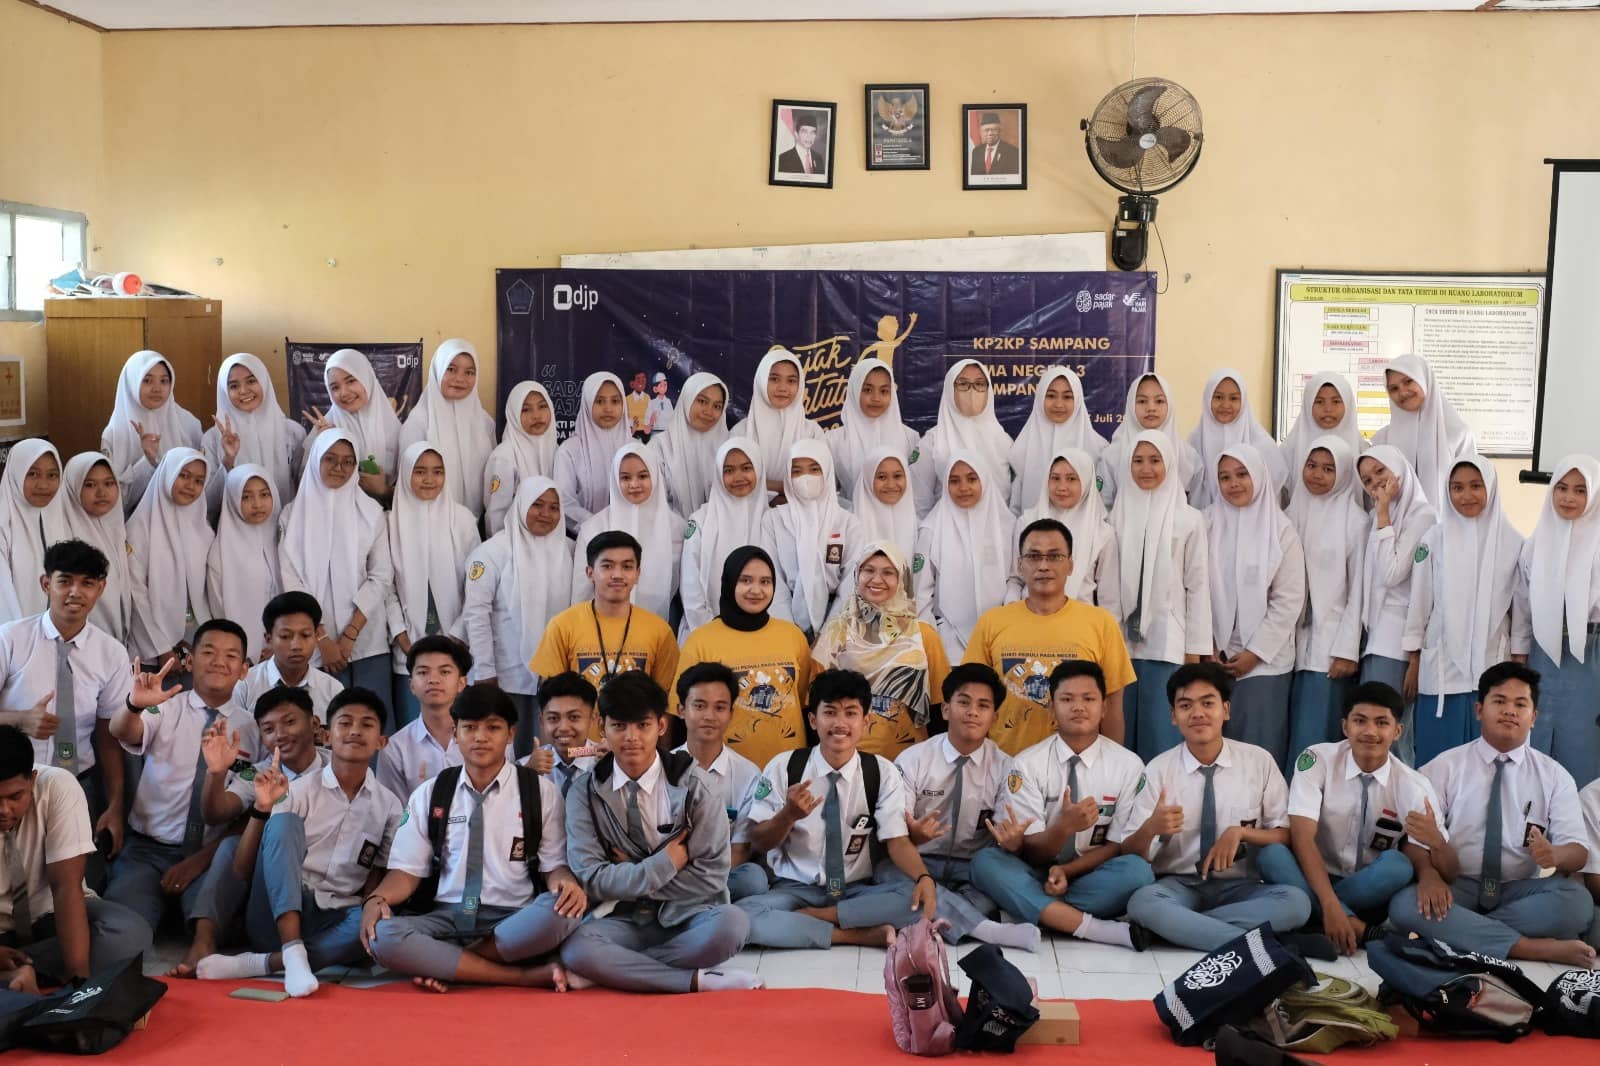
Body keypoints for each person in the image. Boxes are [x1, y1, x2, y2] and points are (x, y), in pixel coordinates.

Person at [364, 684, 585, 992]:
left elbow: (553, 867)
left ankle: (451, 964)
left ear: (510, 734)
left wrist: (565, 884)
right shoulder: (431, 793)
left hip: (513, 918)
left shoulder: (539, 792)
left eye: (492, 728)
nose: (480, 737)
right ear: (455, 733)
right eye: (469, 728)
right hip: (446, 917)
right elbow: (406, 872)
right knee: (384, 936)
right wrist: (377, 899)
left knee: (561, 911)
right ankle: (519, 976)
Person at [560, 671, 759, 992]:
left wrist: (631, 873)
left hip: (689, 913)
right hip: (622, 916)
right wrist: (663, 864)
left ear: (661, 726)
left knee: (733, 924)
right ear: (601, 727)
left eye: (643, 725)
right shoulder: (583, 791)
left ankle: (616, 969)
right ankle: (695, 980)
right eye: (619, 726)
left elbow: (711, 877)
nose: (631, 737)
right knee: (577, 947)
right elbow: (590, 877)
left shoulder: (697, 786)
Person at [193, 688, 400, 996]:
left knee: (383, 925)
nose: (355, 731)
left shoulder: (390, 805)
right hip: (277, 911)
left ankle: (267, 963)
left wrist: (372, 906)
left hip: (334, 915)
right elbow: (235, 856)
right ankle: (290, 947)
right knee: (284, 822)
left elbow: (378, 871)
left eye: (367, 725)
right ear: (327, 735)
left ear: (382, 741)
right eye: (345, 723)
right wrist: (256, 803)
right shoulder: (294, 789)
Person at [1387, 662, 1595, 967]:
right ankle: (1529, 947)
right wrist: (1429, 876)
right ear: (1479, 710)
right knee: (1404, 905)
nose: (1510, 711)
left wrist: (1556, 854)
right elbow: (1415, 839)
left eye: (1520, 704)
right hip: (1456, 885)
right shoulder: (1444, 767)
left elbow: (1578, 851)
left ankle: (1458, 933)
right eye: (1500, 701)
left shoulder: (1555, 776)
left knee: (1577, 903)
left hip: (1518, 891)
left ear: (1533, 717)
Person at [1118, 664, 1312, 951]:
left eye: (1208, 703)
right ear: (1173, 716)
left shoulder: (1258, 761)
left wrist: (1240, 833)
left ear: (1226, 710)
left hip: (1241, 888)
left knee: (1296, 903)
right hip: (1179, 885)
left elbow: (1285, 834)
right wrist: (1150, 829)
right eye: (1186, 705)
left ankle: (1181, 928)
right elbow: (1128, 850)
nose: (1198, 713)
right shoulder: (1158, 770)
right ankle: (1260, 947)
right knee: (1143, 902)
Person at [738, 669, 937, 948]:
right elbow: (758, 842)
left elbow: (897, 841)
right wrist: (788, 816)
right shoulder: (784, 766)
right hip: (794, 890)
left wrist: (924, 877)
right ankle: (855, 934)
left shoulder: (881, 772)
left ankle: (815, 919)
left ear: (866, 721)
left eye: (850, 713)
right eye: (830, 712)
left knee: (916, 897)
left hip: (856, 890)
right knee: (742, 916)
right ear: (813, 720)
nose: (840, 723)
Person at [970, 661, 1155, 950]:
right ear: (1052, 708)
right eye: (1067, 699)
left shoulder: (1128, 765)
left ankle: (1031, 911)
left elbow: (1117, 845)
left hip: (1091, 873)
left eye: (1088, 699)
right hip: (1034, 871)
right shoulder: (1027, 764)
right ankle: (1093, 927)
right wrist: (1064, 828)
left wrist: (1068, 872)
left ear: (1104, 707)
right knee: (985, 863)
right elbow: (1031, 851)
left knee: (1137, 871)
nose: (1078, 707)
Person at [1258, 682, 1444, 955]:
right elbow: (1301, 836)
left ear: (1397, 731)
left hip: (1366, 890)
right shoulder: (1317, 759)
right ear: (1345, 727)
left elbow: (1419, 850)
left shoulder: (1413, 784)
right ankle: (1355, 927)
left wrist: (1429, 873)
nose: (1370, 731)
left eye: (1382, 723)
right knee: (1272, 854)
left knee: (1399, 866)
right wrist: (1330, 904)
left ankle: (1315, 921)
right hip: (1311, 876)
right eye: (1360, 721)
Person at [867, 663, 1042, 950]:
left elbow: (1006, 835)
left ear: (994, 717)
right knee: (887, 874)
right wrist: (915, 835)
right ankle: (987, 929)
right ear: (946, 709)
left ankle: (935, 916)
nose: (973, 712)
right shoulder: (912, 759)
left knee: (996, 881)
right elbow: (895, 833)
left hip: (973, 869)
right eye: (964, 702)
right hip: (919, 862)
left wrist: (1013, 844)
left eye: (983, 706)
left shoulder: (1006, 767)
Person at [104, 620, 258, 936]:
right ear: (191, 660)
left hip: (208, 853)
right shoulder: (166, 707)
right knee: (122, 932)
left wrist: (201, 860)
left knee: (216, 931)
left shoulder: (252, 731)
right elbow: (123, 731)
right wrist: (133, 706)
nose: (219, 661)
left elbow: (241, 808)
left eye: (231, 656)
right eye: (209, 652)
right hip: (147, 850)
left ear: (244, 670)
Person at [172, 684, 331, 977]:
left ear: (314, 724)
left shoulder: (336, 766)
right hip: (271, 895)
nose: (279, 734)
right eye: (268, 729)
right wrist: (216, 773)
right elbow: (216, 813)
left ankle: (274, 959)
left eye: (290, 722)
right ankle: (204, 941)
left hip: (326, 887)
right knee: (231, 845)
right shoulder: (258, 772)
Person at [0, 540, 133, 866]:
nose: (75, 592)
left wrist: (115, 805)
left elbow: (109, 737)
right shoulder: (10, 638)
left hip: (78, 783)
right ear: (46, 584)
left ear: (100, 589)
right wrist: (19, 720)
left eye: (87, 583)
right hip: (12, 786)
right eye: (65, 581)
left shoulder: (112, 653)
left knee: (78, 880)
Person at [0, 725, 151, 992]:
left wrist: (78, 987)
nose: (4, 810)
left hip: (51, 915)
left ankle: (18, 974)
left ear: (32, 780)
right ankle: (15, 976)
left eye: (15, 796)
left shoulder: (58, 786)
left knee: (129, 934)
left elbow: (66, 888)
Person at [964, 518, 1134, 756]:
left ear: (1071, 565)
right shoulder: (992, 622)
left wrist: (1111, 765)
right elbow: (974, 698)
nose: (1043, 565)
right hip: (1005, 761)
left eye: (1054, 556)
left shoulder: (1101, 623)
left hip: (1077, 762)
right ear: (1020, 565)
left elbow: (1113, 705)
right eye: (1034, 557)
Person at [1404, 457, 1529, 766]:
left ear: (1491, 488)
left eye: (1476, 486)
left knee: (1489, 763)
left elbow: (1520, 609)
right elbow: (1419, 603)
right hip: (1441, 672)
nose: (1466, 495)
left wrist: (1518, 661)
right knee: (1437, 764)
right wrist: (1414, 659)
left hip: (1492, 666)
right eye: (1457, 488)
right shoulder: (1434, 539)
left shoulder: (1514, 542)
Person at [1107, 431, 1209, 760]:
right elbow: (1107, 586)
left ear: (1170, 464)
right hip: (1122, 644)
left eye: (1155, 460)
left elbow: (1198, 586)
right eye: (1138, 461)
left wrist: (1194, 652)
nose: (1146, 468)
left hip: (1168, 643)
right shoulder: (1114, 517)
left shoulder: (1189, 519)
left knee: (1161, 736)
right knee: (1120, 737)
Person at [1205, 445, 1306, 770]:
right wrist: (1207, 646)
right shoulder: (1206, 523)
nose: (1233, 484)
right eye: (1224, 477)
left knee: (1258, 754)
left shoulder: (1281, 530)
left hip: (1264, 664)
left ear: (1259, 476)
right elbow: (1194, 588)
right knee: (1213, 751)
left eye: (1242, 474)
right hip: (1214, 658)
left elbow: (1288, 600)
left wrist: (1254, 653)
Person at [279, 431, 394, 702]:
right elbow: (291, 581)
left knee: (371, 717)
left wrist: (350, 635)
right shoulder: (292, 516)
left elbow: (381, 576)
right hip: (313, 644)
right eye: (330, 459)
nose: (339, 468)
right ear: (315, 460)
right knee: (324, 720)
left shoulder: (371, 513)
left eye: (348, 461)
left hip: (367, 640)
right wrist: (322, 638)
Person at [674, 547, 812, 768]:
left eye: (765, 582)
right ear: (730, 583)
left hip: (788, 769)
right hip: (725, 772)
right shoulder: (701, 641)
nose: (756, 590)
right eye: (745, 580)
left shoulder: (793, 636)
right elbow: (681, 716)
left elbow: (805, 705)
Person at [812, 542, 950, 760]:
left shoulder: (923, 635)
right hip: (847, 761)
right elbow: (815, 704)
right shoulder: (835, 633)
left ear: (902, 578)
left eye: (888, 572)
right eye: (869, 570)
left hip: (910, 761)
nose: (877, 579)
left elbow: (939, 708)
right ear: (856, 575)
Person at [462, 476, 572, 736]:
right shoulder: (491, 553)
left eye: (554, 507)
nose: (545, 514)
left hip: (555, 678)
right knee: (507, 746)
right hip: (504, 676)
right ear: (521, 505)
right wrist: (485, 671)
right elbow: (476, 615)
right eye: (537, 505)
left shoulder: (570, 551)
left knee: (549, 750)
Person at [386, 443, 481, 725]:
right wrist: (404, 639)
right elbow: (386, 587)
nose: (429, 479)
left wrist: (456, 637)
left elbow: (475, 584)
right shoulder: (390, 521)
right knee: (413, 730)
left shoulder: (463, 519)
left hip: (455, 645)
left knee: (456, 729)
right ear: (405, 474)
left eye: (437, 471)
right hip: (407, 648)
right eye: (420, 471)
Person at [1356, 445, 1438, 766]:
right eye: (1367, 480)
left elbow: (1391, 574)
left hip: (1398, 641)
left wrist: (1383, 514)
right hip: (1376, 638)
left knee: (1392, 735)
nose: (1375, 482)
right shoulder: (1375, 518)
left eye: (1381, 471)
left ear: (1399, 469)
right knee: (1375, 732)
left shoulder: (1423, 516)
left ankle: (1401, 794)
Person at [1285, 437, 1366, 758]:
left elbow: (1359, 592)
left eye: (1329, 469)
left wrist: (1347, 650)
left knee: (1319, 738)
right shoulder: (1289, 514)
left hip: (1330, 651)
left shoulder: (1355, 521)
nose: (1317, 475)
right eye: (1311, 466)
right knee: (1291, 735)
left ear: (1344, 473)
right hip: (1289, 650)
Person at [1522, 456, 1600, 785]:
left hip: (1591, 654)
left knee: (1583, 741)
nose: (1569, 497)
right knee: (1537, 735)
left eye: (1581, 490)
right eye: (1562, 488)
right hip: (1542, 652)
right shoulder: (1536, 543)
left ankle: (1582, 816)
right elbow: (1522, 604)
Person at [530, 531, 679, 698]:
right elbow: (551, 698)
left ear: (637, 574)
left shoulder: (659, 630)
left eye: (627, 567)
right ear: (590, 573)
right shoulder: (562, 626)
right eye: (607, 566)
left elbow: (667, 698)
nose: (617, 575)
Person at [670, 662, 765, 899]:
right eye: (699, 706)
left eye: (720, 707)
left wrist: (699, 884)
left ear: (731, 713)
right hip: (667, 872)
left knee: (753, 878)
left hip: (720, 876)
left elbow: (740, 850)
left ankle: (680, 902)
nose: (709, 716)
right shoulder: (660, 767)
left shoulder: (748, 774)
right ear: (681, 710)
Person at [914, 453, 1013, 663]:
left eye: (972, 479)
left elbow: (1017, 579)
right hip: (948, 642)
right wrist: (930, 639)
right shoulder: (931, 529)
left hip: (1003, 637)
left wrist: (1010, 620)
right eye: (954, 481)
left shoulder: (1008, 526)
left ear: (984, 480)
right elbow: (921, 593)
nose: (963, 487)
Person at [762, 442, 862, 641]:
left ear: (827, 471)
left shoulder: (847, 522)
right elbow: (772, 576)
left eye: (814, 469)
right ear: (788, 476)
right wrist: (788, 631)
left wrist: (828, 634)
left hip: (835, 613)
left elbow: (852, 581)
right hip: (784, 612)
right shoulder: (773, 519)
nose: (805, 477)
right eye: (797, 471)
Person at [571, 444, 682, 622]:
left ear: (655, 475)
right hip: (600, 627)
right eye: (625, 477)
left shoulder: (676, 527)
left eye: (643, 476)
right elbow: (581, 591)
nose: (634, 484)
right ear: (616, 479)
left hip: (657, 626)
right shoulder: (594, 527)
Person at [126, 448, 214, 666]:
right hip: (155, 648)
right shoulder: (139, 528)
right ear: (168, 474)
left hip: (198, 641)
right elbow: (135, 593)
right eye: (183, 475)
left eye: (198, 480)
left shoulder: (202, 528)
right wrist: (161, 648)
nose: (190, 485)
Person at [1007, 450, 1118, 615]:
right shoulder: (1027, 522)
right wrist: (1011, 612)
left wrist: (1109, 629)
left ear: (1086, 481)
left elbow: (1110, 597)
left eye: (1071, 479)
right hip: (1029, 620)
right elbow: (1016, 579)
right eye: (1055, 478)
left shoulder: (1102, 533)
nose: (1062, 487)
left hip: (1080, 623)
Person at [202, 352, 305, 522]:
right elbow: (207, 503)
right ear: (224, 391)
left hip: (285, 527)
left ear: (263, 381)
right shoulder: (213, 438)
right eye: (234, 386)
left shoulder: (292, 432)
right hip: (234, 530)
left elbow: (305, 485)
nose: (243, 391)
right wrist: (228, 462)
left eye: (251, 381)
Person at [680, 437, 768, 634]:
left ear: (759, 469)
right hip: (704, 630)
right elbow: (690, 585)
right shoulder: (700, 520)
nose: (738, 477)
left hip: (761, 632)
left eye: (746, 468)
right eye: (728, 470)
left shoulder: (770, 520)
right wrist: (710, 632)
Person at [399, 339, 496, 516]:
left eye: (469, 372)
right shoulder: (418, 423)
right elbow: (408, 480)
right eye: (451, 369)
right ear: (438, 370)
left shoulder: (485, 422)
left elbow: (492, 474)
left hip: (477, 522)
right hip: (429, 519)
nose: (460, 379)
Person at [99, 350, 203, 514]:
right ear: (132, 382)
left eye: (164, 381)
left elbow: (201, 485)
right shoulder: (114, 433)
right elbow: (114, 501)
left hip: (182, 517)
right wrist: (148, 461)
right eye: (147, 380)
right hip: (134, 520)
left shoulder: (189, 424)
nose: (157, 388)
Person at [1372, 354, 1476, 507]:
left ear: (1424, 380)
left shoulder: (1458, 434)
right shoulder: (1381, 440)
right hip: (1396, 522)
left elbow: (1472, 487)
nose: (1402, 392)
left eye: (1408, 381)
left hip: (1446, 521)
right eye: (1394, 388)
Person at [376, 636, 470, 802]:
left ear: (461, 683)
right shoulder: (395, 749)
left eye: (444, 672)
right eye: (423, 672)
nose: (433, 680)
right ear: (411, 685)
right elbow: (395, 811)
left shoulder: (486, 739)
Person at [303, 348, 402, 503]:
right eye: (335, 387)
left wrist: (383, 491)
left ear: (366, 378)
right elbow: (305, 485)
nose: (344, 393)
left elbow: (411, 487)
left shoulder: (395, 428)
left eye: (351, 381)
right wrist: (321, 447)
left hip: (388, 512)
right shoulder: (325, 428)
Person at [205, 465, 281, 663]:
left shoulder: (283, 542)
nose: (257, 504)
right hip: (240, 659)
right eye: (246, 497)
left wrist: (277, 645)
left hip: (281, 653)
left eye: (264, 494)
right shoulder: (220, 553)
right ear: (232, 500)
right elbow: (219, 612)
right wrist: (245, 652)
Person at [915, 360, 1011, 515]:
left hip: (997, 527)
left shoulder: (1003, 441)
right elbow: (920, 503)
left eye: (979, 384)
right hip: (946, 527)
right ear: (950, 389)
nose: (972, 391)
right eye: (963, 384)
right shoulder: (932, 442)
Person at [1008, 366, 1107, 513]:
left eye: (1067, 397)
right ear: (1040, 398)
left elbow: (1103, 503)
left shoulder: (1099, 449)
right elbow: (1015, 507)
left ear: (1078, 400)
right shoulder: (1021, 451)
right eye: (1051, 396)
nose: (1058, 404)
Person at [235, 592, 345, 723]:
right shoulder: (244, 685)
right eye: (285, 636)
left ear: (316, 637)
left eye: (305, 635)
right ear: (269, 639)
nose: (296, 646)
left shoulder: (332, 689)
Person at [826, 358, 922, 506]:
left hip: (901, 517)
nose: (876, 398)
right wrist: (852, 512)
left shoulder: (910, 438)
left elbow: (918, 492)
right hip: (852, 516)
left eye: (884, 391)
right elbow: (826, 493)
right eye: (867, 390)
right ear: (854, 390)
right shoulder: (833, 440)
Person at [729, 349, 825, 496]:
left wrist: (768, 487)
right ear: (761, 381)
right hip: (748, 508)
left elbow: (822, 481)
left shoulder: (812, 432)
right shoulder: (740, 432)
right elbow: (733, 481)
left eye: (791, 381)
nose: (782, 388)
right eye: (774, 379)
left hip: (802, 509)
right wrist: (785, 489)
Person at [1187, 370, 1288, 510]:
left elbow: (1273, 491)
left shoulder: (1262, 444)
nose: (1225, 405)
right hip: (1204, 519)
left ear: (1244, 401)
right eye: (1218, 397)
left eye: (1234, 398)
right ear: (1207, 398)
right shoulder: (1194, 442)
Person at [59, 454, 133, 644]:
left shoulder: (117, 530)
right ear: (73, 487)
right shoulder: (63, 538)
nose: (102, 492)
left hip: (118, 644)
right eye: (90, 485)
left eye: (108, 483)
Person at [1097, 373, 1201, 507]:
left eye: (1159, 401)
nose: (1151, 408)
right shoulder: (1111, 455)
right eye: (1142, 401)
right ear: (1130, 405)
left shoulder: (1188, 456)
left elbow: (1197, 504)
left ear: (1170, 405)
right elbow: (1103, 506)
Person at [0, 440, 68, 624]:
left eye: (52, 475)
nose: (43, 485)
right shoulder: (3, 527)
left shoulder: (64, 521)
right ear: (16, 474)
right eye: (33, 474)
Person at [554, 371, 632, 533]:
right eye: (599, 401)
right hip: (584, 536)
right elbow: (564, 502)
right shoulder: (569, 451)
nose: (608, 408)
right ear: (587, 404)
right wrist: (599, 527)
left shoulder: (636, 449)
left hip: (631, 534)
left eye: (615, 401)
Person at [649, 372, 730, 517]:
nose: (709, 411)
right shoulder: (660, 447)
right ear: (687, 399)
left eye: (717, 406)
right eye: (702, 401)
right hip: (670, 529)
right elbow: (652, 505)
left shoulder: (729, 449)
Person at [483, 381, 556, 537]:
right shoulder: (504, 457)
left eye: (542, 406)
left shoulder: (557, 451)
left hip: (552, 540)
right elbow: (496, 517)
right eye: (525, 409)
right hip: (514, 543)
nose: (536, 415)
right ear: (513, 415)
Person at [1278, 373, 1364, 500]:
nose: (1328, 409)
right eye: (1319, 401)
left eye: (1336, 401)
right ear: (1308, 405)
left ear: (1348, 404)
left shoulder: (1364, 451)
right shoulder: (1286, 452)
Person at [531, 672, 600, 797]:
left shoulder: (607, 761)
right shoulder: (527, 767)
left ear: (593, 719)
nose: (563, 728)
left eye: (574, 717)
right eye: (553, 718)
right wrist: (526, 777)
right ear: (542, 721)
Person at [849, 447, 918, 564]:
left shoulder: (920, 527)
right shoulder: (849, 526)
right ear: (868, 479)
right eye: (881, 477)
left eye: (897, 476)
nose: (891, 485)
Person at [645, 372, 674, 436]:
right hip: (655, 433)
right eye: (661, 385)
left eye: (665, 384)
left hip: (667, 433)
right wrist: (651, 422)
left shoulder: (668, 401)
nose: (664, 387)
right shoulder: (652, 403)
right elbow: (646, 429)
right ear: (655, 389)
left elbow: (672, 418)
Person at [626, 370, 650, 437]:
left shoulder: (647, 397)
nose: (641, 382)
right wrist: (632, 425)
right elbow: (626, 417)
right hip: (632, 431)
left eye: (643, 380)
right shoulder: (627, 399)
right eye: (638, 380)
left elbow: (650, 414)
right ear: (632, 384)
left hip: (646, 432)